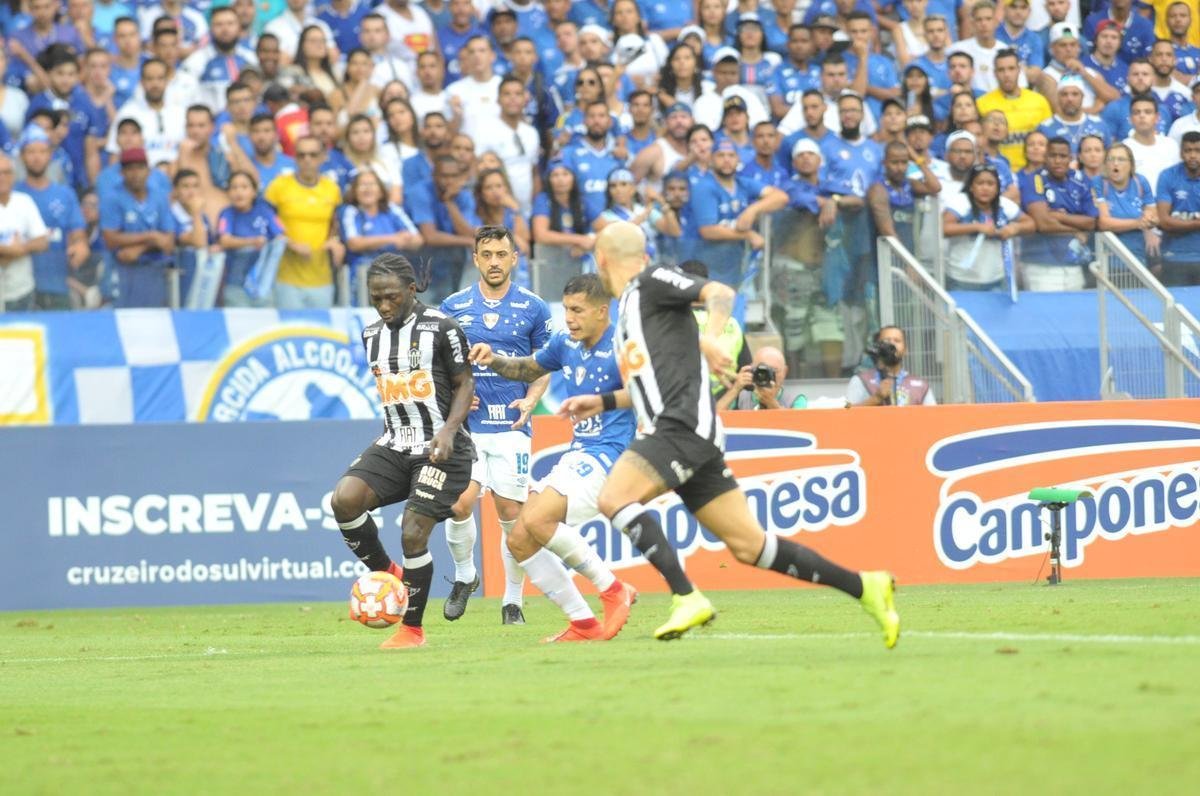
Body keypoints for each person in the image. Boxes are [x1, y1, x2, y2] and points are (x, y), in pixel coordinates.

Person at [557, 221, 900, 646]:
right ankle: (866, 588)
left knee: (614, 497)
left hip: (680, 426)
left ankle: (685, 596)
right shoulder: (633, 311)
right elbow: (652, 381)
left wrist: (715, 338)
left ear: (602, 259)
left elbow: (720, 293)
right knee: (750, 546)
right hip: (688, 431)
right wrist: (605, 401)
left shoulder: (650, 283)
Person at [468, 273, 639, 642]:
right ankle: (582, 622)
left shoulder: (625, 345)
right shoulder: (565, 342)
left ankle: (613, 590)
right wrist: (493, 358)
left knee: (535, 519)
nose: (570, 319)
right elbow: (527, 368)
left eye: (578, 311)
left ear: (601, 311)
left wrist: (604, 402)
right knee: (520, 539)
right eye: (566, 310)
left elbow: (646, 393)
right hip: (580, 452)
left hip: (613, 454)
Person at [330, 253, 476, 650]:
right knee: (343, 500)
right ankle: (390, 576)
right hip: (394, 442)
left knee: (412, 531)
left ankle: (411, 629)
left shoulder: (442, 329)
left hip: (443, 448)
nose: (383, 305)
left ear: (412, 290)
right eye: (376, 298)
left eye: (391, 296)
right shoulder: (371, 334)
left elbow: (465, 384)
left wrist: (448, 429)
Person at [438, 226, 552, 625]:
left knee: (511, 516)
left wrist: (532, 399)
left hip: (511, 426)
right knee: (457, 503)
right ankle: (466, 575)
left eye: (501, 254)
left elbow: (544, 363)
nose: (494, 262)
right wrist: (454, 395)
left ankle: (512, 602)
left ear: (514, 258)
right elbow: (440, 365)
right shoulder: (452, 306)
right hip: (468, 426)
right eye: (486, 254)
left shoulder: (535, 307)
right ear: (475, 259)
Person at [263, 135, 345, 308]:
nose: (307, 160)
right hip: (285, 277)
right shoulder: (278, 186)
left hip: (322, 278)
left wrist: (335, 240)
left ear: (323, 157)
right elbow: (264, 224)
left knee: (321, 332)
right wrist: (289, 243)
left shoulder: (332, 189)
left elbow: (335, 223)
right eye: (301, 155)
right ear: (295, 157)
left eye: (313, 155)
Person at [17, 127, 87, 311]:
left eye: (42, 151)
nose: (36, 157)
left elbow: (78, 234)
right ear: (22, 156)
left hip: (58, 283)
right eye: (31, 151)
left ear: (50, 155)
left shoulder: (65, 194)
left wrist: (80, 246)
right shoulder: (13, 195)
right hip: (20, 286)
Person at [99, 147, 177, 308]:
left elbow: (168, 242)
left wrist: (140, 248)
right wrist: (151, 237)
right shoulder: (112, 198)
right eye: (130, 168)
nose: (135, 173)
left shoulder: (159, 197)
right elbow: (110, 239)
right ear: (122, 172)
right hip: (121, 271)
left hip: (154, 272)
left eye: (140, 168)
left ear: (148, 171)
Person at [1019, 136, 1098, 291]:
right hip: (1040, 265)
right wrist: (1075, 229)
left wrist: (1059, 216)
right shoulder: (1033, 180)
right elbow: (1044, 224)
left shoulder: (1081, 180)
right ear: (1045, 157)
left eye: (1062, 156)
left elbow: (1091, 222)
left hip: (1074, 264)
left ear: (1070, 158)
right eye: (1052, 156)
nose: (1057, 161)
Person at [941, 162, 1034, 291]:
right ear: (971, 186)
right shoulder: (960, 202)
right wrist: (977, 227)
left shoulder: (1005, 204)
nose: (985, 188)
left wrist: (1014, 228)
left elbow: (1031, 224)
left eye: (990, 184)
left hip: (996, 278)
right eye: (980, 183)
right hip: (961, 279)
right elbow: (943, 228)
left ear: (997, 188)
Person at [340, 169, 423, 303]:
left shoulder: (392, 210)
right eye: (362, 185)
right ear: (354, 191)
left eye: (372, 184)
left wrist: (405, 241)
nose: (367, 189)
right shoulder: (351, 212)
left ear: (380, 190)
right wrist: (393, 238)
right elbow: (354, 243)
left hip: (394, 278)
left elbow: (417, 240)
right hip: (362, 279)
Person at [217, 171, 284, 308]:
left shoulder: (264, 210)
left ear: (254, 191)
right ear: (228, 192)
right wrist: (252, 242)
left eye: (244, 187)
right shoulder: (227, 214)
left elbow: (281, 235)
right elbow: (225, 240)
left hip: (263, 284)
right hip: (236, 285)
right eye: (234, 187)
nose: (239, 192)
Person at [975, 48, 1051, 170]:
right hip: (996, 171)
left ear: (1019, 70)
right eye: (1001, 70)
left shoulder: (1039, 101)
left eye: (1011, 69)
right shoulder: (982, 103)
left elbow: (1048, 141)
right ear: (994, 73)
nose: (1007, 75)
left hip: (1032, 172)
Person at [0, 152, 50, 312]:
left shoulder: (24, 201)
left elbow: (42, 240)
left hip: (21, 290)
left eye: (6, 172)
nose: (2, 177)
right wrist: (8, 250)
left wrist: (19, 249)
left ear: (13, 175)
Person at [1095, 142, 1159, 265]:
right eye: (1111, 159)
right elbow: (1104, 223)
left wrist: (1149, 220)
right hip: (1107, 260)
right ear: (1105, 164)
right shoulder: (1099, 183)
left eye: (1121, 159)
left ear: (1131, 164)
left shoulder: (1141, 182)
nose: (1115, 163)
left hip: (1137, 257)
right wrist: (1138, 223)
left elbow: (1154, 216)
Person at [847, 325, 936, 406]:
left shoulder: (921, 386)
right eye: (886, 340)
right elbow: (845, 411)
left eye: (897, 340)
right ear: (877, 348)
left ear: (906, 350)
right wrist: (875, 399)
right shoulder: (861, 380)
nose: (892, 344)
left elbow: (935, 418)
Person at [1156, 131, 1200, 286]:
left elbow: (1171, 221)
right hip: (1174, 257)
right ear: (1181, 153)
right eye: (1188, 151)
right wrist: (1197, 224)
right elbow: (1164, 221)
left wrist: (1179, 223)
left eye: (1198, 151)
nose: (1193, 156)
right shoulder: (1168, 176)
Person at [717, 345, 808, 410]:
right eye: (762, 372)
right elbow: (714, 419)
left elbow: (797, 428)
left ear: (785, 372)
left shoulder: (796, 400)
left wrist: (772, 404)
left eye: (774, 371)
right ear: (752, 369)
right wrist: (735, 389)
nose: (769, 376)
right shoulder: (742, 396)